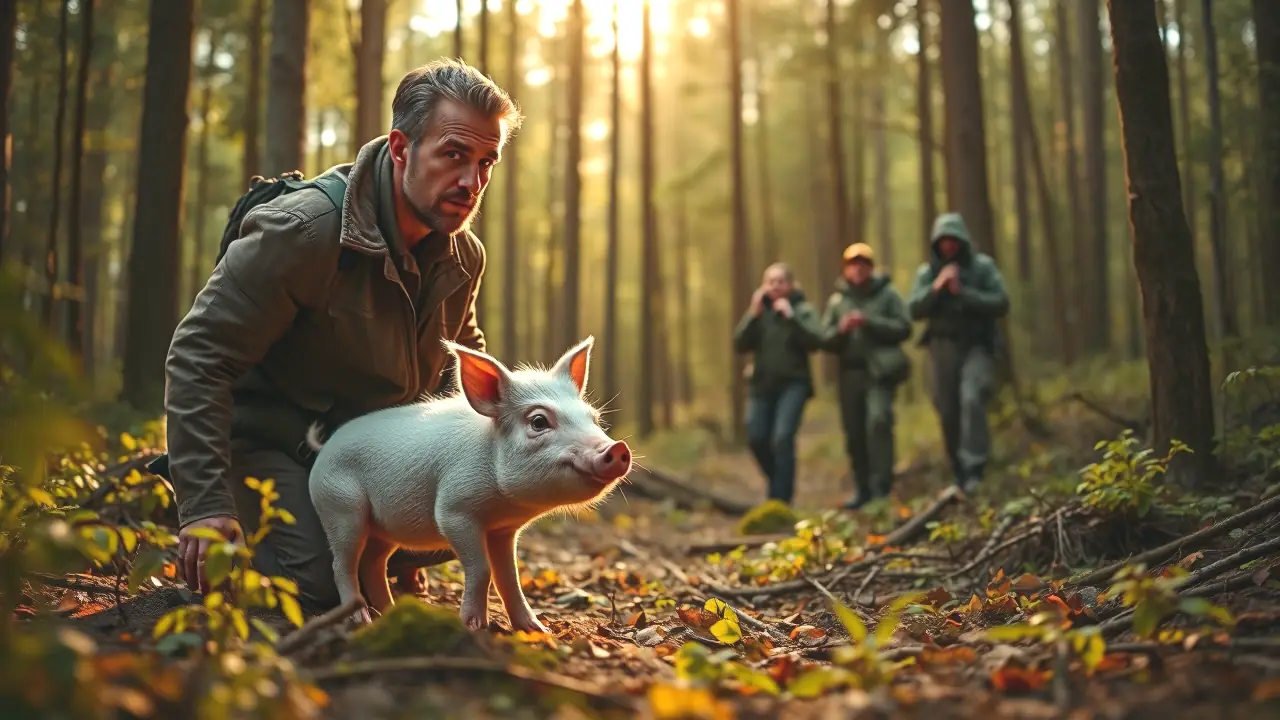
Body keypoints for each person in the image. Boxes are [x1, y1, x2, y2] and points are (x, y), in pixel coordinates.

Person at [162, 59, 523, 614]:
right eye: (453, 155)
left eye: (485, 162)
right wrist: (206, 504)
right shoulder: (305, 231)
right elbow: (198, 356)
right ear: (402, 149)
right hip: (269, 440)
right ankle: (220, 506)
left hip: (365, 454)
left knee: (479, 512)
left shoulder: (462, 254)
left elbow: (461, 375)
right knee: (327, 594)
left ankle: (387, 552)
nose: (471, 182)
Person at [906, 212, 1010, 493]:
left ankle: (975, 466)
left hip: (976, 345)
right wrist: (936, 288)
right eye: (943, 241)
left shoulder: (982, 267)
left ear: (963, 240)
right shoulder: (926, 273)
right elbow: (914, 309)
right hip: (942, 348)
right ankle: (958, 469)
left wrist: (963, 293)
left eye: (953, 240)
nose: (948, 246)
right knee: (947, 408)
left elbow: (1001, 301)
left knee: (972, 397)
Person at [820, 243, 912, 510]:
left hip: (880, 375)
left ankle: (882, 489)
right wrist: (841, 330)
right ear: (846, 270)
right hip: (850, 375)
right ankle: (862, 491)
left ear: (870, 268)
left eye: (862, 264)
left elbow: (904, 327)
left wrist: (870, 321)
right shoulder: (838, 301)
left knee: (878, 422)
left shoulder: (887, 294)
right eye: (852, 264)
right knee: (854, 433)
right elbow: (824, 340)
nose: (857, 269)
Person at [732, 263, 826, 505]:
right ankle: (777, 484)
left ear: (791, 285)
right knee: (756, 437)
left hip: (793, 385)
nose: (775, 286)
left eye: (780, 281)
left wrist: (792, 318)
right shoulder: (759, 313)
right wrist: (753, 315)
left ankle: (781, 500)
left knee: (782, 438)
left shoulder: (802, 309)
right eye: (770, 282)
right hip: (761, 387)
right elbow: (740, 344)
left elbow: (816, 340)